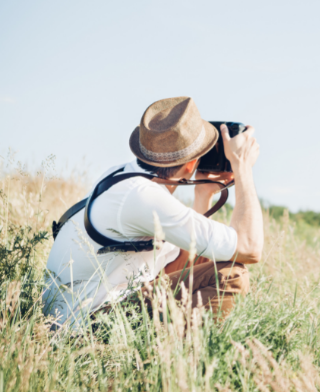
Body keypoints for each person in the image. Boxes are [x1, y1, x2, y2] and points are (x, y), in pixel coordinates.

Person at [43, 96, 263, 328]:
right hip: (84, 325)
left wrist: (203, 194)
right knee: (233, 274)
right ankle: (179, 359)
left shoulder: (121, 176)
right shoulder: (142, 196)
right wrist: (242, 167)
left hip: (68, 314)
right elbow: (249, 248)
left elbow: (183, 259)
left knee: (201, 255)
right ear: (190, 165)